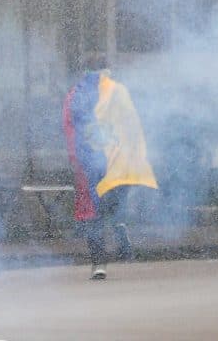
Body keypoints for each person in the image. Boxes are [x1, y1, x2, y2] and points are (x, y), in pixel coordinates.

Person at [63, 53, 158, 279]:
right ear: (107, 69)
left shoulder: (74, 95)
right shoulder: (119, 91)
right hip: (117, 161)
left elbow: (68, 128)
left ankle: (99, 264)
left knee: (92, 213)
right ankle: (119, 228)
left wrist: (76, 158)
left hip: (89, 163)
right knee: (112, 206)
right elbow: (132, 126)